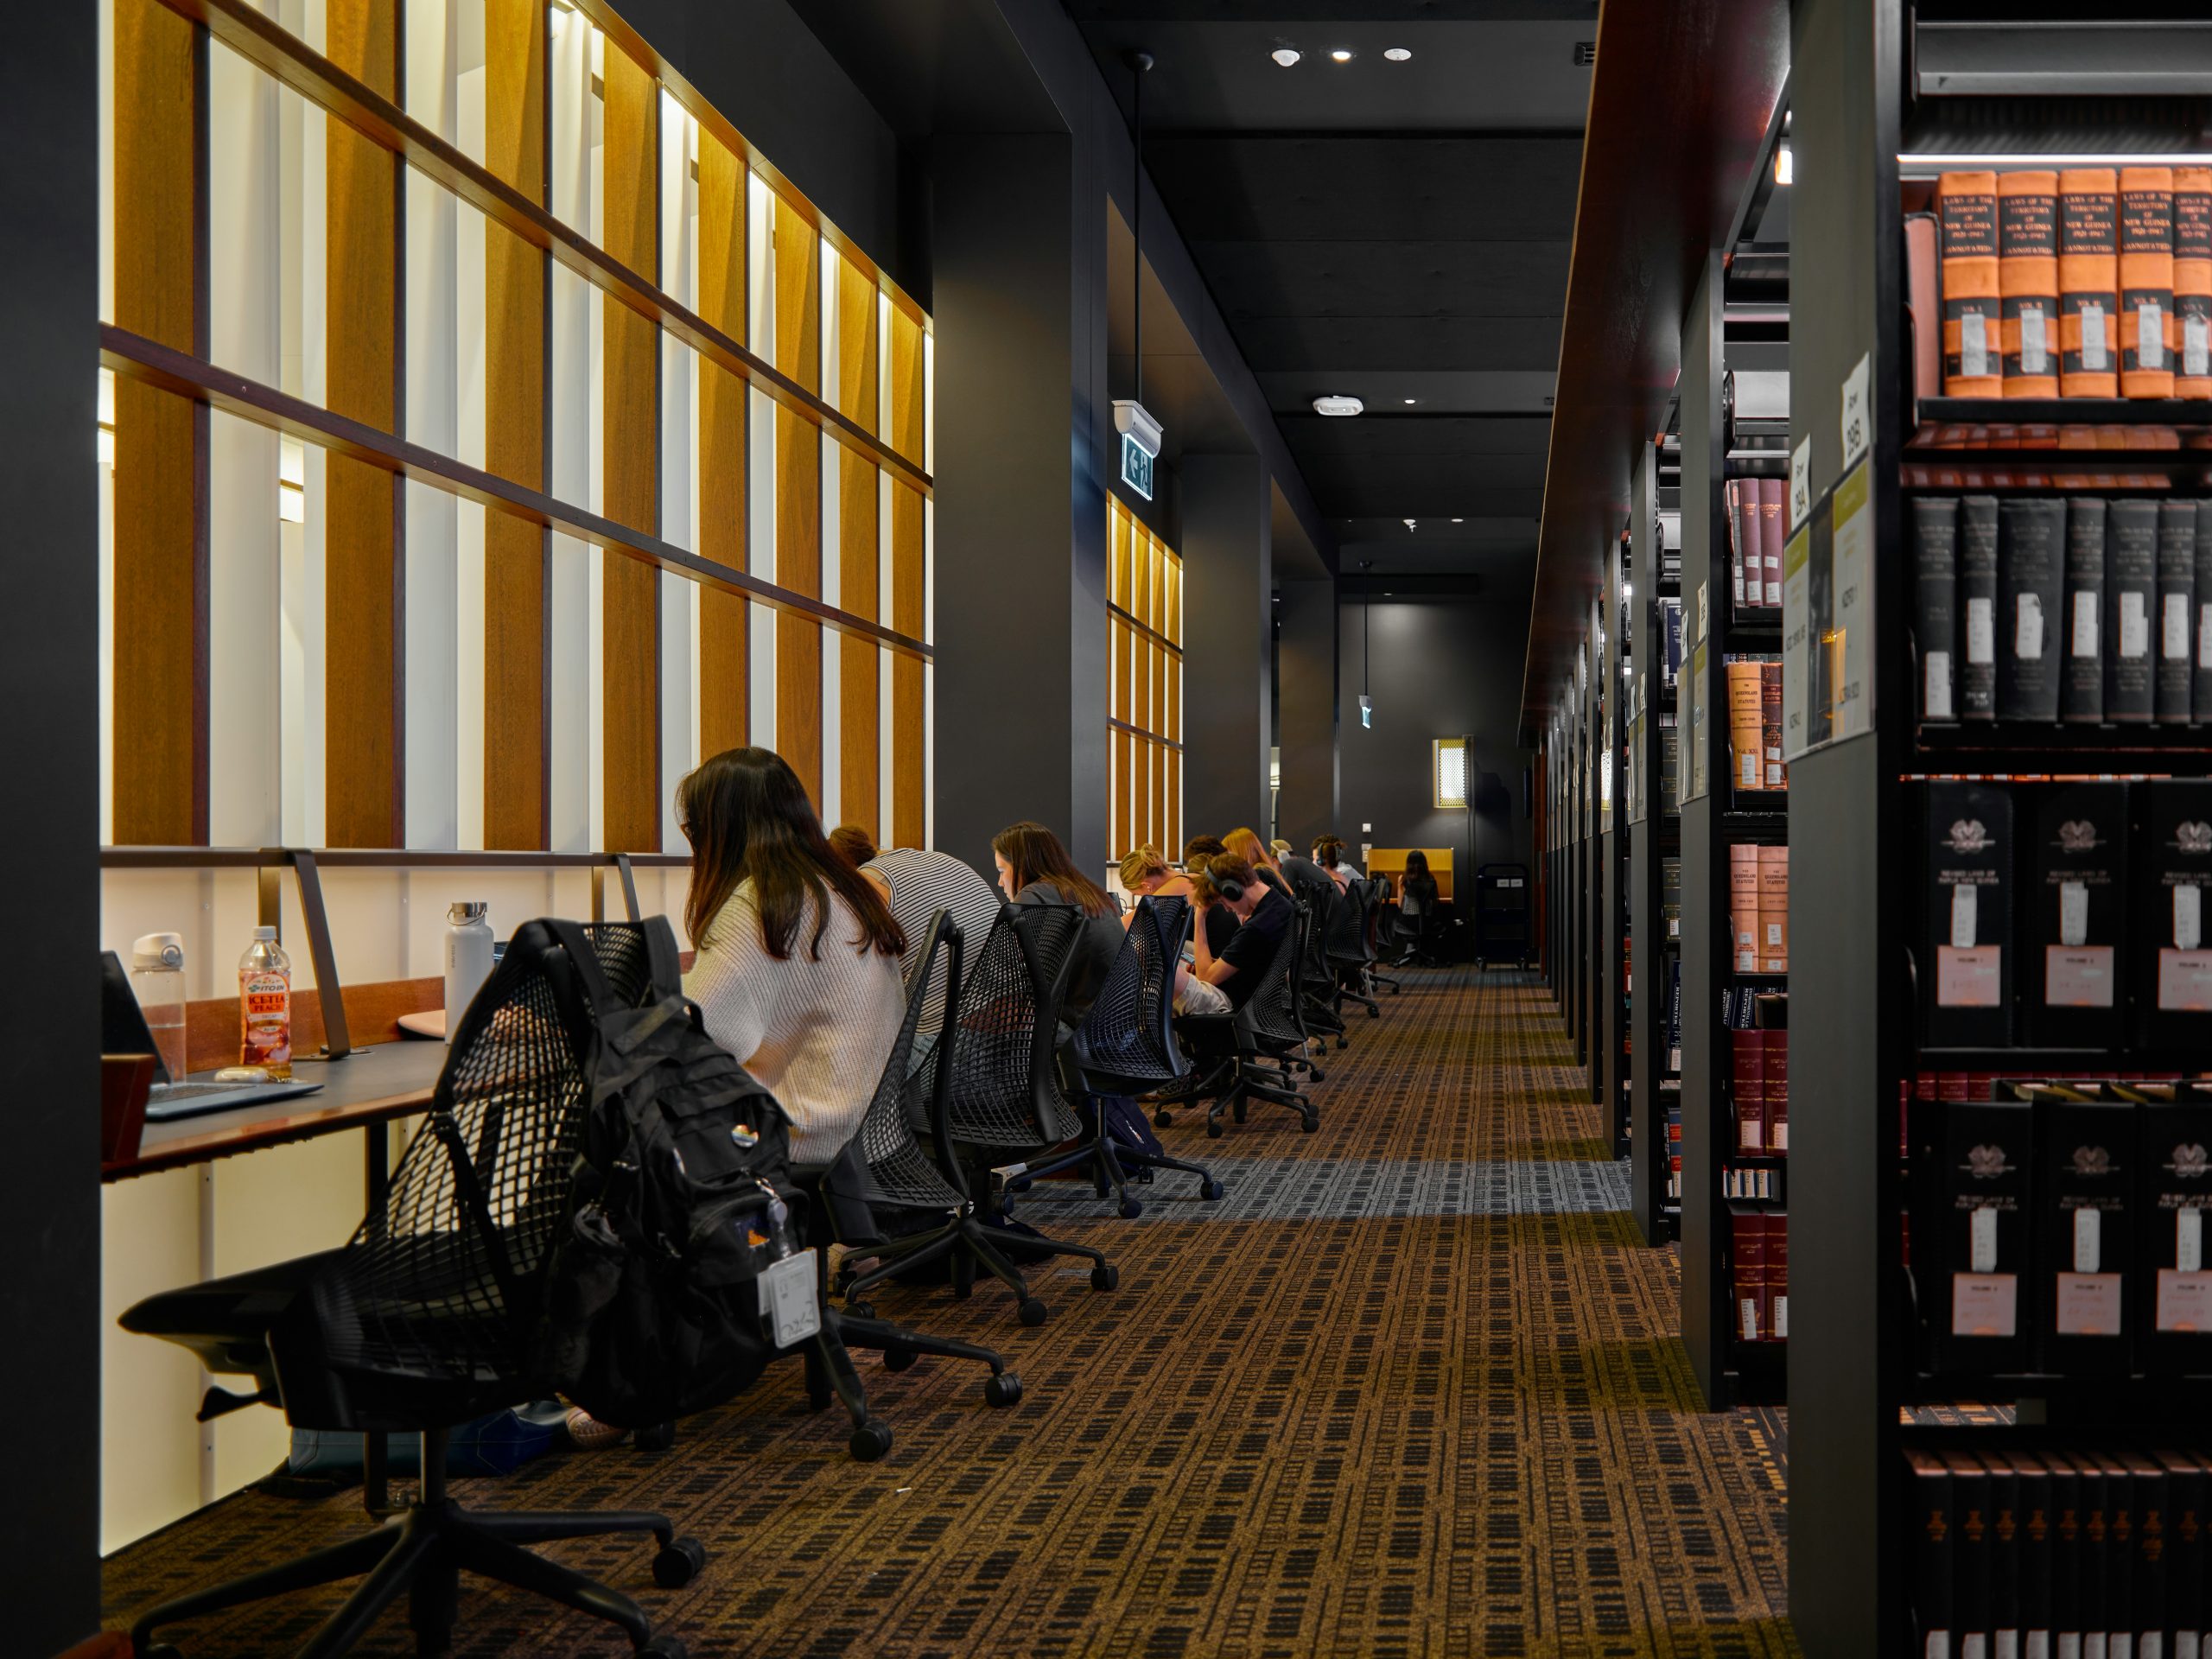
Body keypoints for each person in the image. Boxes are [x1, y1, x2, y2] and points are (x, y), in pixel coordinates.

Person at [677, 747, 906, 1180]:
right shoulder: (842, 888)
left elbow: (707, 1036)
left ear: (717, 832)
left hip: (806, 1135)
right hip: (871, 1131)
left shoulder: (764, 902)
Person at [991, 821, 1124, 1028]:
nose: (1000, 882)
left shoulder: (1033, 895)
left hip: (1080, 1029)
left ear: (1022, 865)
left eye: (1002, 870)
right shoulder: (1088, 892)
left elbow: (1009, 977)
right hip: (1119, 1023)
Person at [1118, 845, 1229, 1014]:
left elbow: (1122, 927)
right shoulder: (1191, 878)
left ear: (1147, 886)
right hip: (1221, 972)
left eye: (1139, 894)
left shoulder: (1178, 886)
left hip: (1218, 984)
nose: (1142, 898)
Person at [1188, 852, 1295, 1009]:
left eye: (1222, 901)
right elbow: (1253, 959)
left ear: (1233, 890)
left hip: (1237, 1003)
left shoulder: (1255, 929)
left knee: (1169, 976)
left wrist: (1200, 917)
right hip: (1263, 998)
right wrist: (1216, 964)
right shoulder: (1279, 903)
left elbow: (1205, 978)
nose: (1227, 909)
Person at [1223, 826, 1293, 900]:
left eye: (1229, 855)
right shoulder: (1264, 871)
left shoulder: (1259, 874)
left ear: (1241, 853)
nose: (1228, 861)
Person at [1397, 849, 1442, 965]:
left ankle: (1410, 949)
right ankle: (1417, 951)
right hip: (1428, 921)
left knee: (1398, 921)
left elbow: (1399, 904)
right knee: (1421, 926)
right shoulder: (1431, 879)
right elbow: (1435, 903)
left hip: (1408, 922)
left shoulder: (1403, 879)